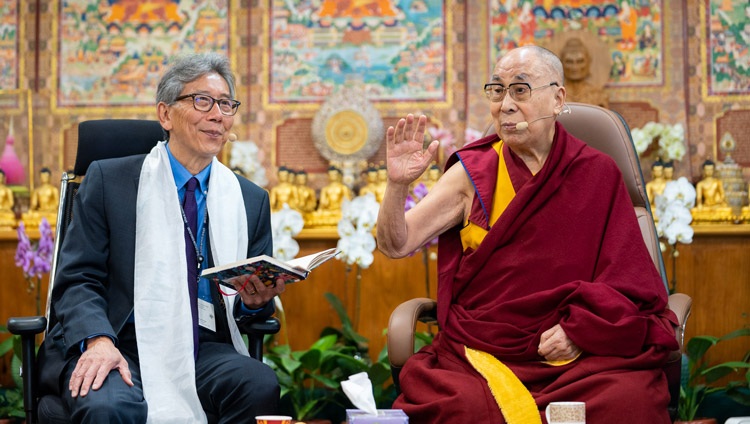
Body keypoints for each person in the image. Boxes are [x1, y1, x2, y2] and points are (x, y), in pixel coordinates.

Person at [376, 46, 679, 423]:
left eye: (520, 90)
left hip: (578, 355)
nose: (505, 105)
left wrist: (580, 330)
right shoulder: (475, 172)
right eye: (497, 90)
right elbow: (395, 243)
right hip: (485, 353)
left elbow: (629, 283)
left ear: (557, 98)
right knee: (462, 408)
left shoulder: (598, 174)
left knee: (628, 400)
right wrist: (397, 186)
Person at [38, 52, 285, 423]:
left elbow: (250, 310)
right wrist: (98, 340)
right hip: (119, 340)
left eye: (226, 104)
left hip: (201, 347)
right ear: (165, 114)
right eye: (202, 101)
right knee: (107, 405)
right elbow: (77, 279)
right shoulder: (111, 182)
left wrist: (254, 301)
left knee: (258, 384)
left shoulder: (249, 200)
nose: (217, 114)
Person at [558, 37, 609, 108]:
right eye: (569, 61)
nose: (575, 67)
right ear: (561, 63)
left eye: (580, 61)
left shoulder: (598, 96)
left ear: (588, 62)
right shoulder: (557, 95)